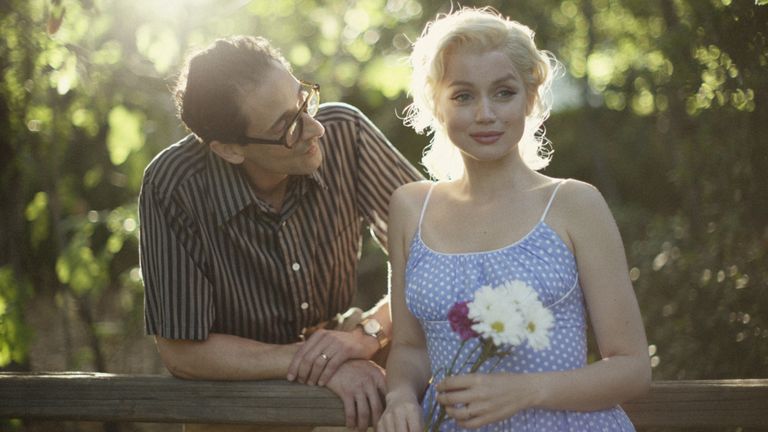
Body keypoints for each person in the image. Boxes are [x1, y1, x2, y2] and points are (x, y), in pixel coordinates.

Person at [378, 7, 651, 431]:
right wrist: (399, 397)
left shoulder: (575, 204)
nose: (485, 113)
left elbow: (632, 368)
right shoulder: (411, 207)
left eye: (503, 92)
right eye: (463, 95)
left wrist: (528, 390)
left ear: (530, 97)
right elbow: (411, 348)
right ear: (436, 103)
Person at [138, 35, 423, 431]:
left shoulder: (346, 133)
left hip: (351, 355)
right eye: (288, 125)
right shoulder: (174, 185)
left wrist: (366, 335)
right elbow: (182, 352)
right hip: (236, 399)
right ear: (229, 149)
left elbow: (439, 252)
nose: (315, 128)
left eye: (304, 100)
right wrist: (321, 364)